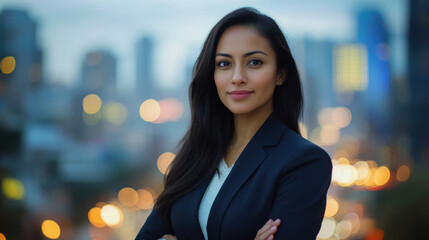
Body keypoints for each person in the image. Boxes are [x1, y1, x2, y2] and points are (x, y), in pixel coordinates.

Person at [135, 7, 332, 240]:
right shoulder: (195, 154)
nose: (237, 77)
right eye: (224, 64)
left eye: (255, 62)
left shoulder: (304, 163)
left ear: (280, 74)